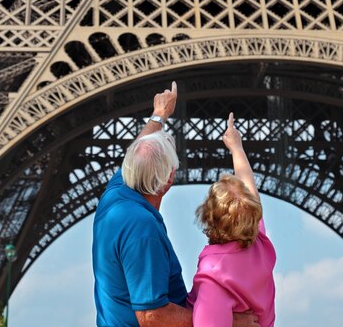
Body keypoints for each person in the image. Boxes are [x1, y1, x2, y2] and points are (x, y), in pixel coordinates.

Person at [92, 83, 261, 327]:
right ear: (169, 179)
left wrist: (158, 116)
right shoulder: (142, 229)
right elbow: (152, 316)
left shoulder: (115, 197)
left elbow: (139, 150)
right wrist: (228, 322)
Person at [187, 113, 276, 327]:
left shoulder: (214, 274)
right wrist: (236, 148)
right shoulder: (259, 243)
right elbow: (248, 185)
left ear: (209, 216)